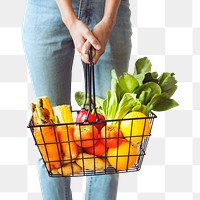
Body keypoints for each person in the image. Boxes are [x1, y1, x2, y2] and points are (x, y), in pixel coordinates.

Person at [22, 0, 132, 199]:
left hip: (108, 7)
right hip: (47, 7)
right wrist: (69, 19)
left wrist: (109, 19)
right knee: (50, 139)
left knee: (110, 138)